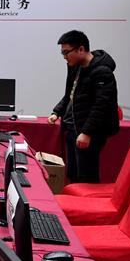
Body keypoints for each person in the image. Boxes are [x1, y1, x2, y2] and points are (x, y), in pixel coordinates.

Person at [48, 30, 119, 184]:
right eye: (62, 53)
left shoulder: (102, 72)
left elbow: (101, 106)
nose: (64, 57)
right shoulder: (75, 67)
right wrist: (57, 111)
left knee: (86, 176)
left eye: (66, 52)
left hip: (89, 131)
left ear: (81, 49)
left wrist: (87, 132)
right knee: (73, 173)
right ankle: (75, 199)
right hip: (73, 127)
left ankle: (89, 200)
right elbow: (71, 94)